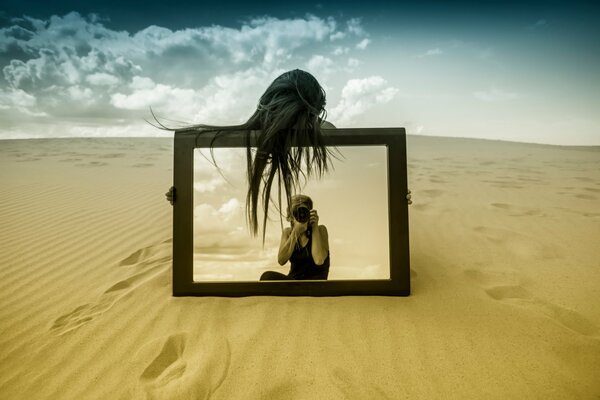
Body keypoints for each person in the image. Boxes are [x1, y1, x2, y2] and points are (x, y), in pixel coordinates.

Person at [162, 69, 339, 243]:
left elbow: (333, 136)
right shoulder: (243, 143)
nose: (292, 132)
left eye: (298, 120)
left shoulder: (326, 135)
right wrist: (187, 193)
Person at [260, 194, 330, 280]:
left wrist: (314, 226)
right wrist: (295, 233)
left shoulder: (320, 230)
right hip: (294, 283)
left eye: (304, 211)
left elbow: (319, 260)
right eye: (297, 212)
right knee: (267, 277)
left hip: (315, 285)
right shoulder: (288, 233)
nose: (301, 215)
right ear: (290, 217)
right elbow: (281, 260)